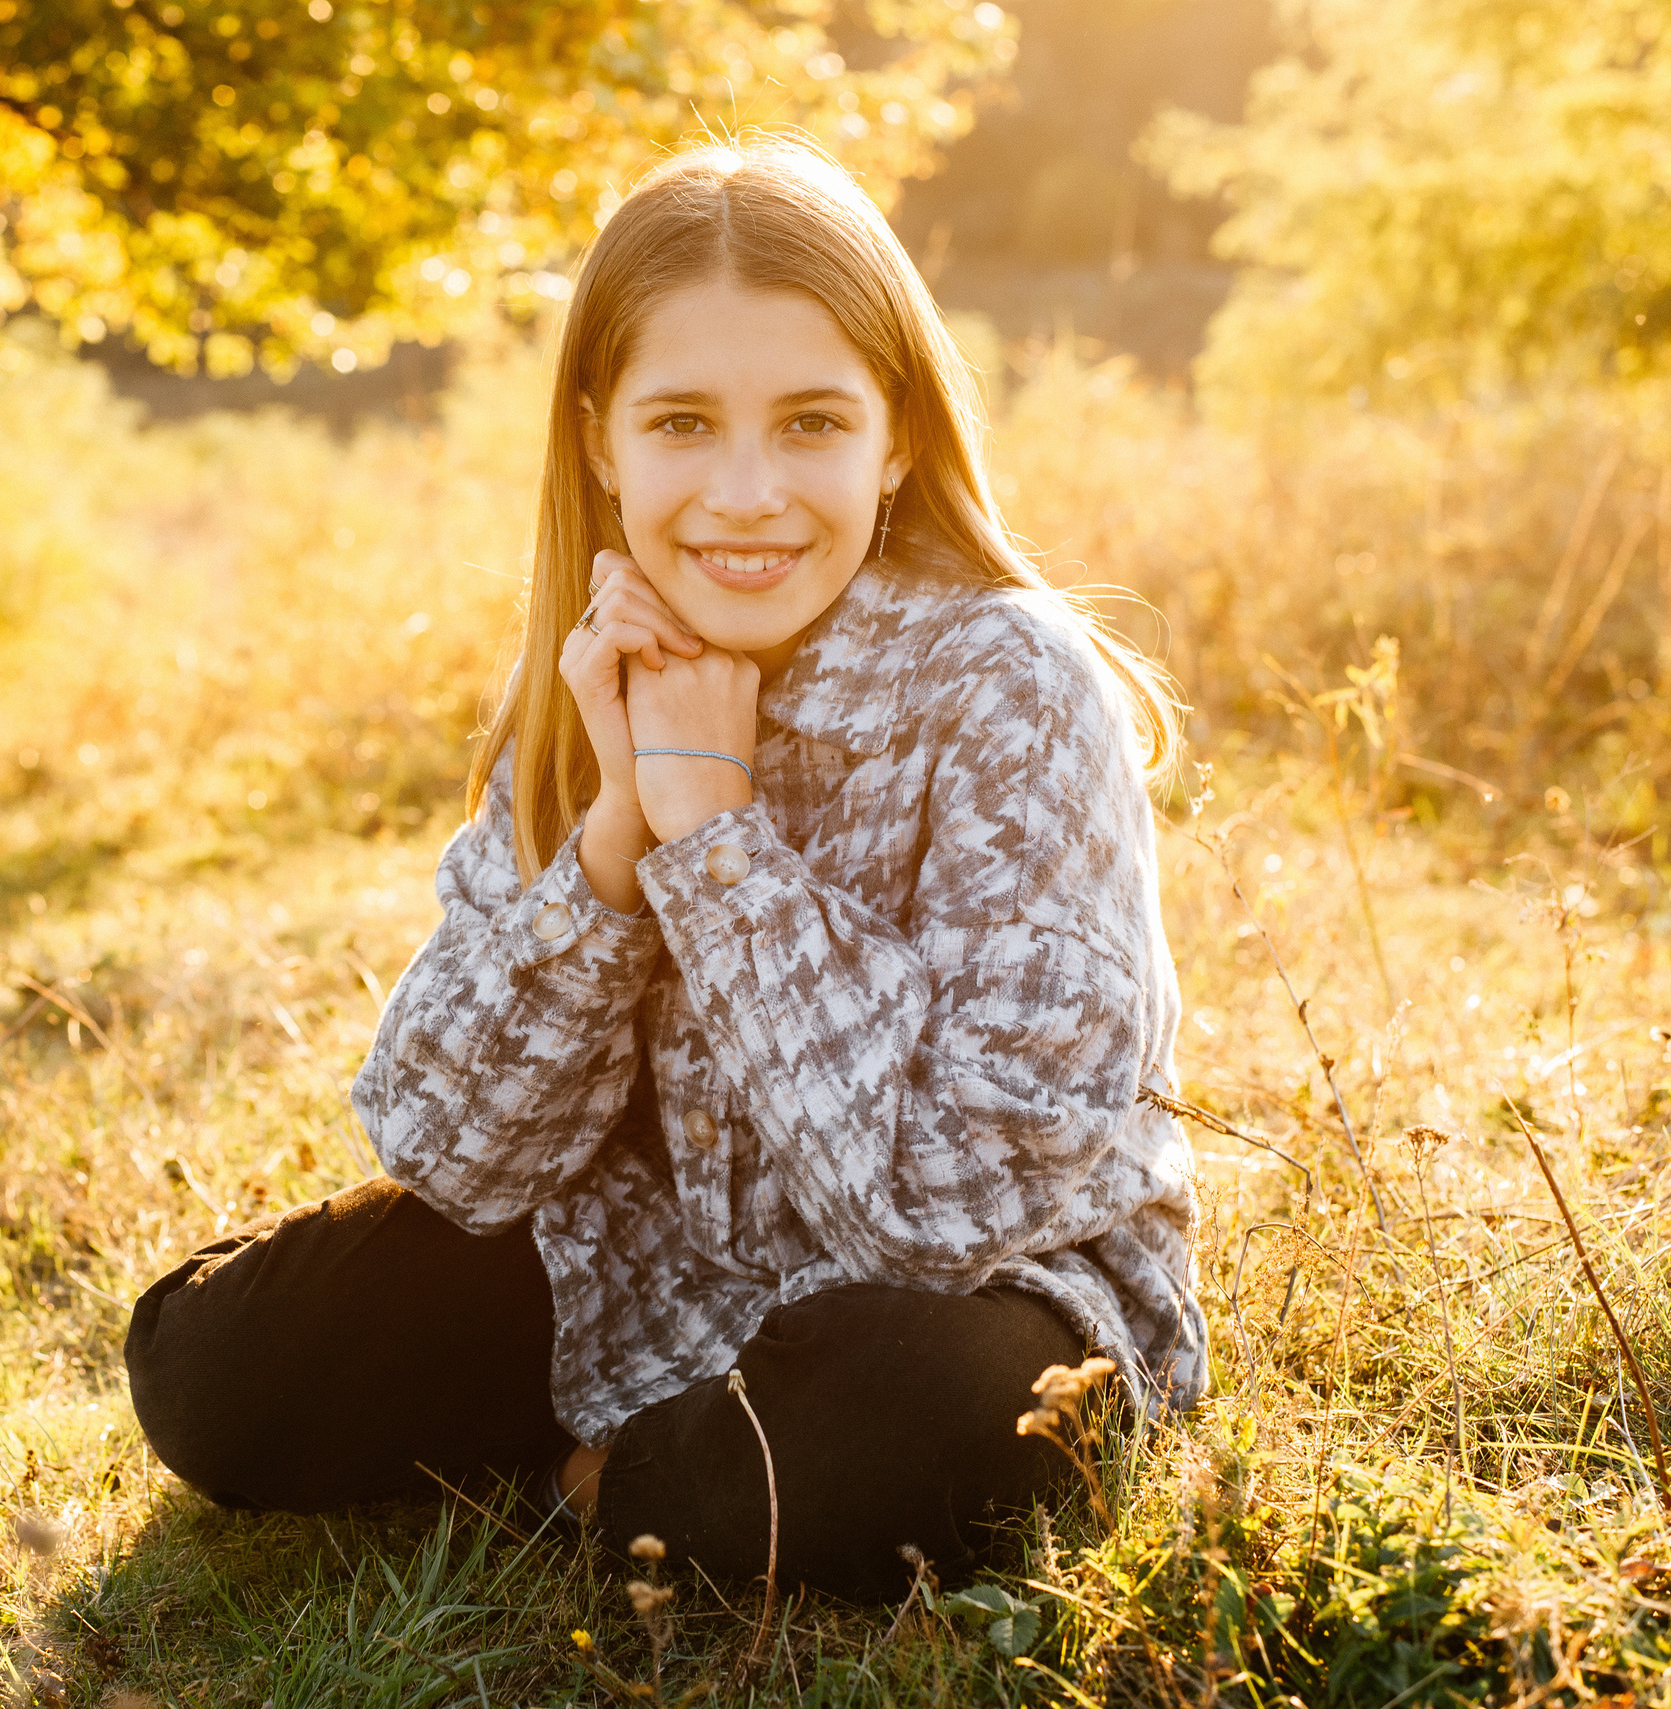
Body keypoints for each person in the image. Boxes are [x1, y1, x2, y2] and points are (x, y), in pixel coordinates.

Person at [123, 136, 1205, 1603]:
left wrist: (719, 836)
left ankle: (622, 1472)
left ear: (894, 437)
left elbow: (948, 1205)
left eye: (813, 422)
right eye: (684, 422)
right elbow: (452, 1149)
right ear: (598, 440)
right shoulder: (594, 673)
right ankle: (649, 1456)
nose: (748, 493)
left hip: (977, 1294)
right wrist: (619, 844)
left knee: (927, 1413)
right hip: (637, 1266)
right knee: (214, 1371)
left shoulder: (1010, 685)